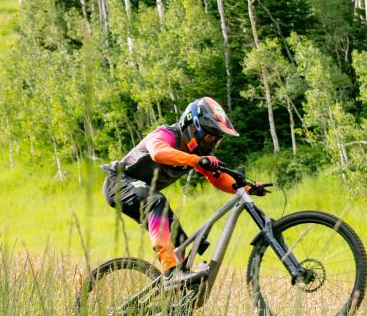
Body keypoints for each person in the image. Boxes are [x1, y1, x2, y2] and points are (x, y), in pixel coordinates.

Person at [101, 96, 268, 284]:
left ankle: (177, 298)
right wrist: (196, 160)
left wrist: (247, 188)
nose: (212, 144)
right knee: (157, 201)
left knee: (180, 241)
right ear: (193, 125)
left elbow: (218, 178)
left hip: (143, 192)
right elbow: (158, 152)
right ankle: (171, 273)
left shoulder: (195, 153)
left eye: (217, 140)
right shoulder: (166, 134)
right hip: (119, 183)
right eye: (210, 137)